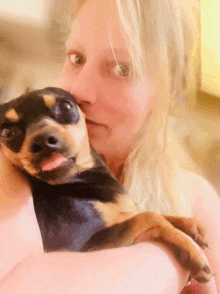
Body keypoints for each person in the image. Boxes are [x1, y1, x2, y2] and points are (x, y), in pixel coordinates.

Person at [0, 0, 219, 293]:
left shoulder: (195, 200)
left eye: (121, 68)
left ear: (170, 88)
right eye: (77, 58)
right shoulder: (13, 170)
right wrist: (169, 255)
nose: (80, 91)